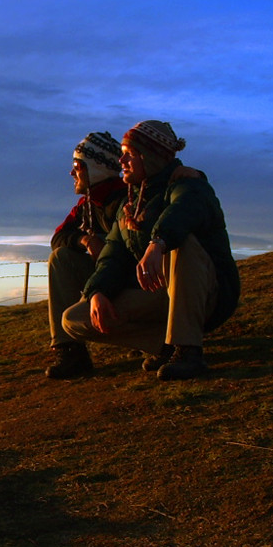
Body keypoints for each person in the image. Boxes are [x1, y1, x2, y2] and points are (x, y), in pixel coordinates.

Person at [60, 119, 240, 381]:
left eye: (129, 155)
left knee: (183, 243)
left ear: (151, 157)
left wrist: (158, 243)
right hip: (161, 295)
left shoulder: (190, 186)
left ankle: (188, 350)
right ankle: (167, 344)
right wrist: (98, 291)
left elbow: (182, 212)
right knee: (75, 319)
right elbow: (113, 256)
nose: (121, 162)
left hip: (208, 293)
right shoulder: (128, 206)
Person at [45, 131, 125, 379]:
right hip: (102, 282)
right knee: (60, 257)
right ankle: (70, 349)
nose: (72, 173)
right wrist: (84, 239)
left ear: (96, 168)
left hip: (128, 280)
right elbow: (57, 238)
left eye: (78, 166)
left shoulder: (125, 201)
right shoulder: (85, 206)